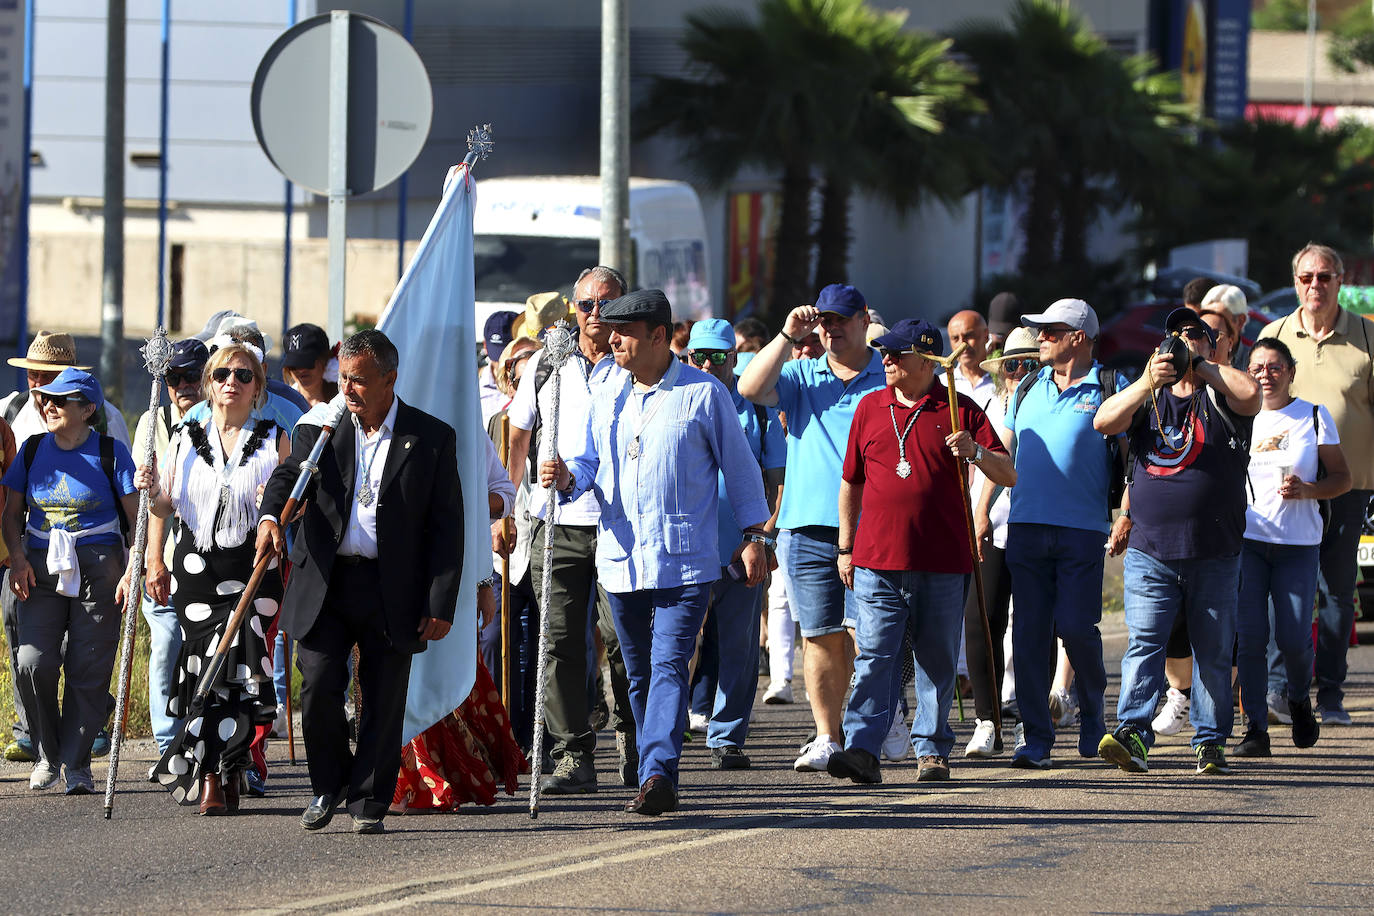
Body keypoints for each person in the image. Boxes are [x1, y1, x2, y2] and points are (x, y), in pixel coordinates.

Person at [543, 289, 770, 815]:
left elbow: (740, 470)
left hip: (684, 558)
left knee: (670, 665)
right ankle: (655, 765)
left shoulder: (703, 393)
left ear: (660, 337)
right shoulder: (606, 393)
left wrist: (756, 537)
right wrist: (567, 476)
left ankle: (656, 774)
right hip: (621, 558)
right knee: (638, 672)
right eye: (610, 330)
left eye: (624, 332)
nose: (612, 339)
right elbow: (588, 465)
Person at [255, 329, 463, 834]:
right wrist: (269, 518)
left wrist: (441, 601)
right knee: (320, 685)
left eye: (361, 381)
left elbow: (446, 525)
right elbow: (288, 479)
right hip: (327, 582)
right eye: (344, 378)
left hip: (393, 586)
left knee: (384, 696)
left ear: (391, 379)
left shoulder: (430, 437)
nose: (349, 390)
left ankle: (369, 802)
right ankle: (328, 786)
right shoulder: (322, 427)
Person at [826, 319, 1014, 785]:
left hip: (943, 561)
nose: (885, 360)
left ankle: (931, 751)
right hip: (876, 562)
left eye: (896, 353)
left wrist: (974, 452)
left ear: (927, 360)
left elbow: (1007, 472)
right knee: (874, 655)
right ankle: (862, 749)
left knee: (936, 658)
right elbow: (851, 484)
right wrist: (845, 546)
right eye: (883, 353)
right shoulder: (870, 408)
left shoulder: (959, 408)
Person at [1094, 306, 1261, 775]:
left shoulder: (1222, 394)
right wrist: (1149, 380)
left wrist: (1200, 364)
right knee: (1144, 643)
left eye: (1196, 334)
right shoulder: (1150, 396)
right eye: (1176, 334)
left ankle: (1209, 741)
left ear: (1212, 344)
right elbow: (1103, 422)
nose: (1183, 339)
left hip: (1214, 549)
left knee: (1212, 648)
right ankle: (1133, 733)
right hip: (1152, 549)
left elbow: (1252, 394)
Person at [136, 342, 290, 814]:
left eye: (244, 376)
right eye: (222, 373)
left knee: (244, 669)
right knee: (204, 668)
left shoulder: (275, 438)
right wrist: (154, 490)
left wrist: (277, 507)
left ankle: (232, 765)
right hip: (198, 570)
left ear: (258, 388)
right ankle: (209, 776)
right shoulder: (184, 436)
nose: (232, 382)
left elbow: (293, 499)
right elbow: (167, 505)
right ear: (209, 383)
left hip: (255, 568)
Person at [499, 266, 636, 795]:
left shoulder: (636, 365)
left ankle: (635, 741)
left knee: (623, 640)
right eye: (585, 305)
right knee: (556, 643)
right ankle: (571, 752)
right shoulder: (545, 364)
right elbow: (518, 438)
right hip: (556, 524)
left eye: (607, 304)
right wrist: (510, 506)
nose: (596, 315)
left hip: (620, 524)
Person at [738, 283, 885, 773]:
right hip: (806, 527)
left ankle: (877, 725)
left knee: (871, 636)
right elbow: (750, 388)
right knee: (820, 637)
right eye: (825, 321)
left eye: (842, 318)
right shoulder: (801, 372)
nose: (832, 328)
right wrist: (786, 333)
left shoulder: (886, 374)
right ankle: (827, 735)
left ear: (864, 319)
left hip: (873, 524)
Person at [998, 299, 1125, 769]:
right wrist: (977, 513)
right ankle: (1036, 737)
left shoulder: (1111, 386)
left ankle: (1093, 711)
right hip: (1026, 527)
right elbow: (1000, 455)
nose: (1040, 339)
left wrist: (1126, 512)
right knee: (1030, 635)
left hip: (1082, 529)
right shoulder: (1028, 385)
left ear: (1079, 336)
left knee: (1074, 627)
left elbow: (1134, 460)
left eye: (1050, 331)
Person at [0, 368, 138, 795]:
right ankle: (47, 751)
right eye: (46, 399)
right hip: (39, 564)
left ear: (89, 409)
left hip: (100, 564)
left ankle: (77, 764)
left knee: (88, 666)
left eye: (62, 400)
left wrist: (135, 567)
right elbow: (10, 515)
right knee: (32, 661)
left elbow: (138, 519)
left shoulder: (112, 453)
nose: (49, 405)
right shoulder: (33, 449)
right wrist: (18, 557)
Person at [1259, 243, 1374, 727]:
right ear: (1296, 281)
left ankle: (1330, 693)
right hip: (1283, 488)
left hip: (1351, 486)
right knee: (1282, 590)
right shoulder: (1274, 334)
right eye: (1306, 278)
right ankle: (1282, 691)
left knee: (1337, 591)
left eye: (1324, 277)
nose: (1314, 286)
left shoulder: (1367, 335)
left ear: (1339, 282)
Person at [1233, 338, 1351, 757]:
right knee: (1249, 637)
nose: (1265, 374)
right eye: (1257, 367)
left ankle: (1299, 699)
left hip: (1298, 544)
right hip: (1249, 543)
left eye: (1274, 366)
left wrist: (1310, 490)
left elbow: (1343, 479)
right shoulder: (1238, 418)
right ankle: (1255, 730)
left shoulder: (1314, 417)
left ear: (1291, 372)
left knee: (1294, 638)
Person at [683, 318, 785, 770]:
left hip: (742, 549)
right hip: (685, 550)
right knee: (678, 645)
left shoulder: (756, 408)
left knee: (740, 648)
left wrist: (764, 537)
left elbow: (777, 481)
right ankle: (667, 729)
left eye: (718, 356)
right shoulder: (675, 400)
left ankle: (726, 737)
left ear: (734, 359)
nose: (707, 364)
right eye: (698, 356)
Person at [133, 337, 210, 762]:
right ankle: (167, 743)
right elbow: (145, 505)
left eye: (191, 377)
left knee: (202, 651)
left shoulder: (222, 423)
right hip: (164, 553)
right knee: (165, 645)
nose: (182, 386)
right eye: (172, 378)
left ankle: (204, 739)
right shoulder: (152, 423)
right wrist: (146, 561)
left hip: (209, 558)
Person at [965, 326, 1039, 757]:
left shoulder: (1051, 403)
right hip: (990, 523)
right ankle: (986, 720)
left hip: (1035, 522)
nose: (1020, 373)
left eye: (1031, 364)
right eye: (1012, 364)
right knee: (981, 622)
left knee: (1032, 625)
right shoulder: (988, 404)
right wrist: (976, 514)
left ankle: (1031, 721)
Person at [943, 310, 996, 409]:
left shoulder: (1004, 380)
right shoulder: (942, 384)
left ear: (986, 335)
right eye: (955, 338)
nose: (962, 345)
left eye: (968, 336)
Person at [281, 323, 339, 408]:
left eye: (306, 362)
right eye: (294, 365)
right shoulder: (283, 404)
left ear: (325, 360)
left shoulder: (345, 401)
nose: (300, 370)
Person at [480, 311, 519, 425]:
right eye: (497, 356)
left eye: (506, 353)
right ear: (485, 346)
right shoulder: (473, 385)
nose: (501, 363)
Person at [1201, 284, 1251, 369]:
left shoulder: (1253, 363)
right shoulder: (1194, 355)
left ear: (1240, 321)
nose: (1210, 323)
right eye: (1206, 315)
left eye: (1220, 318)